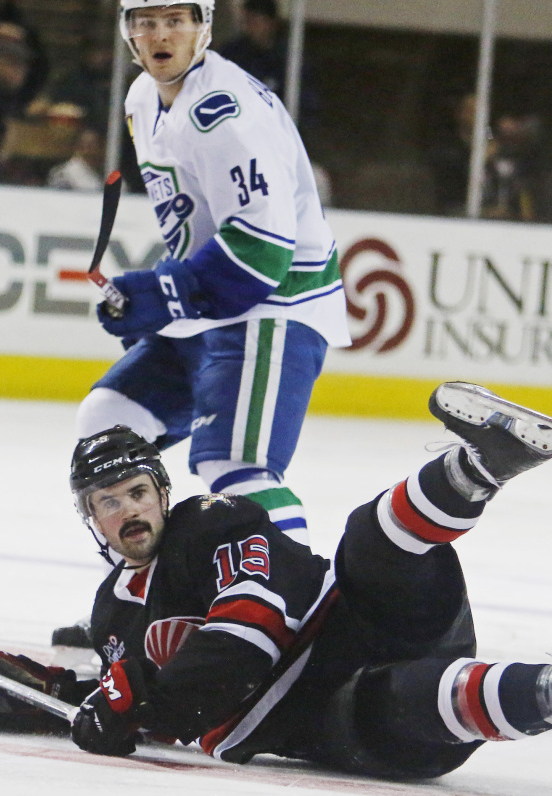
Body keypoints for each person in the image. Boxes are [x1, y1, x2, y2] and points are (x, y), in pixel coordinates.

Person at [0, 382, 552, 779]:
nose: (127, 512)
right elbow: (138, 707)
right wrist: (51, 699)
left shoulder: (214, 524)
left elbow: (248, 633)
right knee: (397, 698)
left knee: (368, 542)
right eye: (107, 503)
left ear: (162, 493)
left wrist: (120, 707)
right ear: (90, 518)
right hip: (325, 717)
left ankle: (486, 463)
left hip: (363, 621)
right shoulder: (110, 612)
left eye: (136, 494)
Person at [73, 0, 350, 557]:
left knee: (235, 465)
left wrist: (164, 292)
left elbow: (262, 253)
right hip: (214, 304)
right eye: (146, 22)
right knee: (108, 427)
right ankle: (142, 594)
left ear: (204, 27)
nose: (160, 35)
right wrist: (160, 299)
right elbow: (200, 224)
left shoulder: (227, 114)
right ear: (128, 32)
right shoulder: (141, 99)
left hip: (277, 304)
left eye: (176, 21)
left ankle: (295, 607)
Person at [46, 122, 105, 192]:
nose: (88, 149)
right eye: (86, 145)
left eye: (93, 144)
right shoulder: (65, 174)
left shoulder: (108, 169)